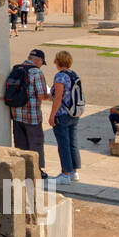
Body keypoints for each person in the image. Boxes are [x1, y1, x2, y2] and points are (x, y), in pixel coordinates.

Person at [8, 48, 52, 177]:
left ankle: (22, 170)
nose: (41, 65)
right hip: (32, 115)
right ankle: (36, 170)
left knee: (20, 143)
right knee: (35, 143)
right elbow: (41, 95)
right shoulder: (36, 72)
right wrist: (51, 96)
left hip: (16, 114)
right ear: (39, 60)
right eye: (42, 62)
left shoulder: (16, 69)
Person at [48, 51, 82, 183]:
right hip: (74, 113)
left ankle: (65, 174)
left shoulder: (60, 77)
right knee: (73, 143)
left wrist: (52, 115)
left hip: (62, 114)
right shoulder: (74, 74)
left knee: (63, 145)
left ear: (57, 61)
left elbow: (58, 98)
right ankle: (74, 172)